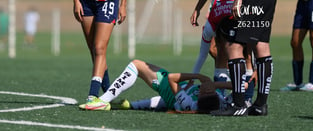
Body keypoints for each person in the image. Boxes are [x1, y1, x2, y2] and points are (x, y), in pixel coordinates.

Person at [78, 59, 231, 113]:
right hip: (176, 95)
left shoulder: (189, 103)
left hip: (172, 92)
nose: (206, 86)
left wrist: (197, 76)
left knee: (136, 65)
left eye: (205, 89)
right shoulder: (218, 100)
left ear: (202, 96)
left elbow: (172, 79)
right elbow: (234, 85)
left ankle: (103, 101)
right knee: (163, 103)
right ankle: (131, 105)